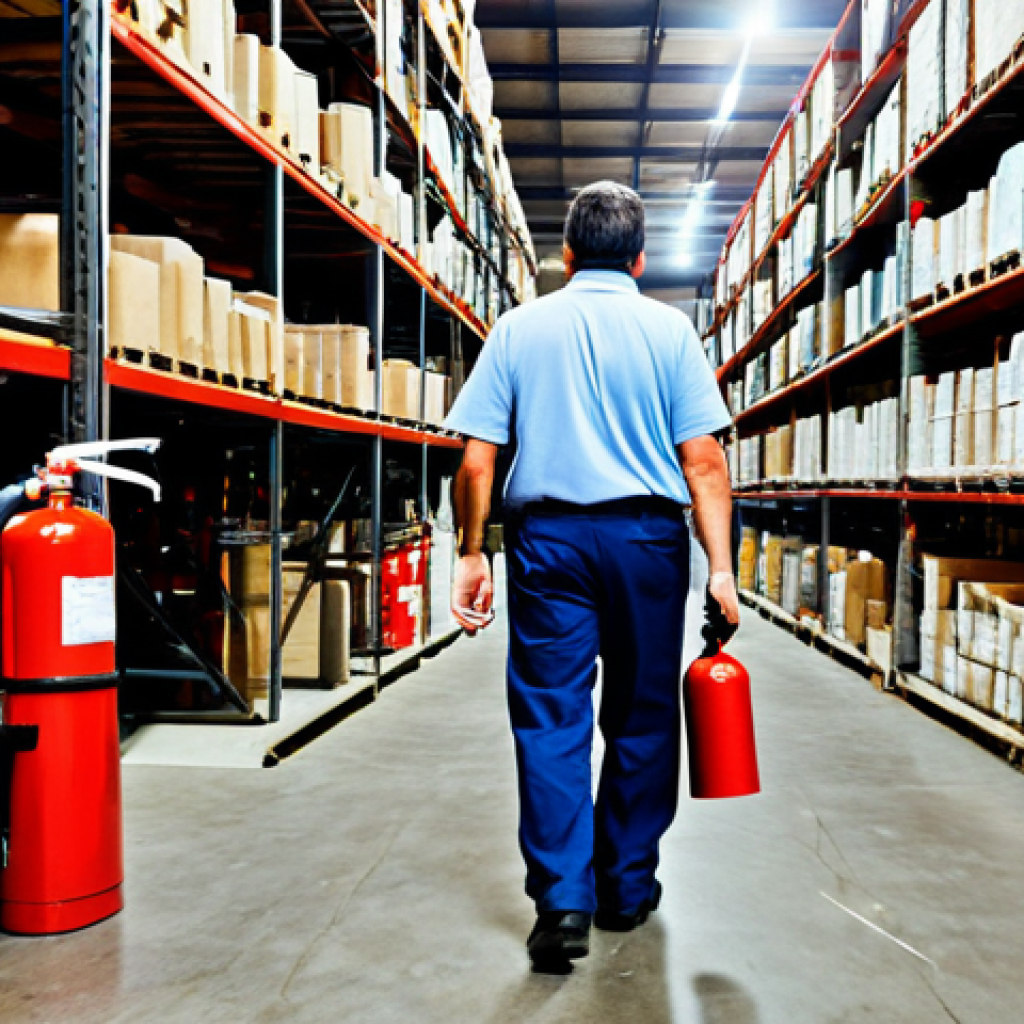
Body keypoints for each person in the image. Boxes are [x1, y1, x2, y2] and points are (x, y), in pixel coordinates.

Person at [443, 181, 740, 970]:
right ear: (640, 259)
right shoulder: (670, 332)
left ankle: (561, 901)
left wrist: (472, 552)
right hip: (646, 542)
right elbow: (703, 460)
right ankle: (624, 887)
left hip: (549, 543)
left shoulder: (517, 329)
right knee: (641, 717)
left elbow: (477, 460)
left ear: (567, 254)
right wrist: (722, 570)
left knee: (551, 718)